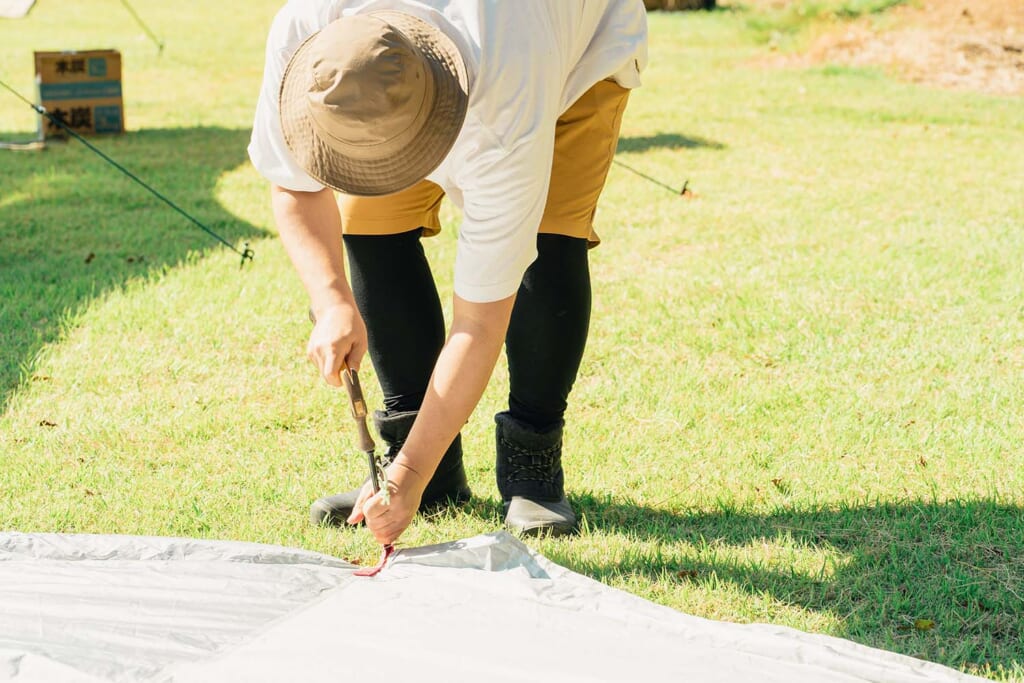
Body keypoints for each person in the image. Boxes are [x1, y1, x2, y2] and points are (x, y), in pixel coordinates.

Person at [248, 0, 648, 545]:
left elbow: (478, 325)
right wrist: (332, 298)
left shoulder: (505, 108)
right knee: (369, 222)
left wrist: (404, 478)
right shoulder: (304, 31)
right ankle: (427, 465)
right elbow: (294, 183)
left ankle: (532, 463)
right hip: (462, 67)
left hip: (578, 53)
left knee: (548, 239)